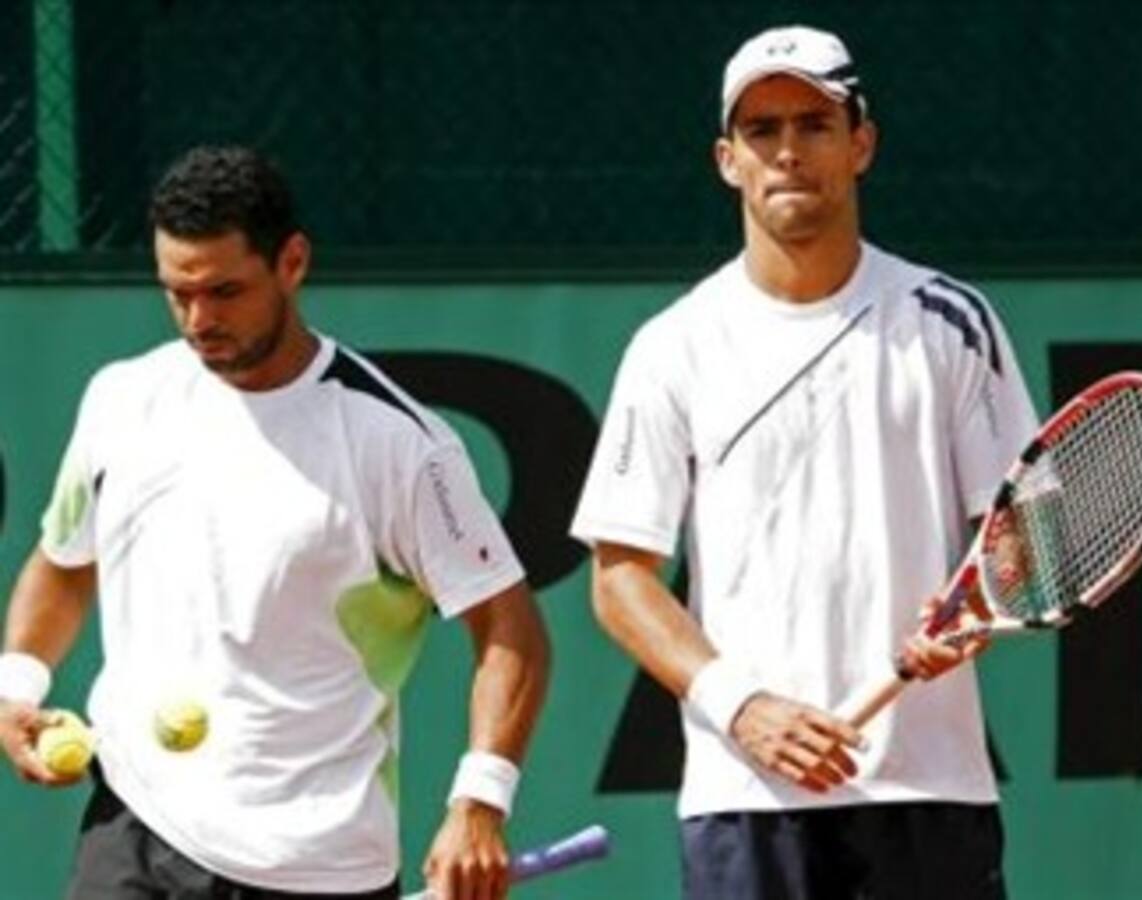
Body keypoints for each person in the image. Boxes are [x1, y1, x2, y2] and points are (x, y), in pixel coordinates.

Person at [0, 145, 550, 899]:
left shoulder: (399, 443)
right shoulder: (120, 399)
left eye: (225, 291)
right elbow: (64, 565)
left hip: (312, 860)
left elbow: (510, 629)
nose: (199, 320)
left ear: (292, 262)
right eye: (177, 293)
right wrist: (15, 689)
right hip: (130, 820)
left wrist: (480, 801)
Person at [571, 24, 1037, 900]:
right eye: (763, 130)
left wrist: (981, 602)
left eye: (815, 125)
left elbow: (1020, 535)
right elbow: (619, 577)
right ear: (727, 159)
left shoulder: (951, 321)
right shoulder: (673, 347)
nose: (789, 151)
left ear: (860, 144)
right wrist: (741, 706)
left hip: (931, 792)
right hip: (746, 800)